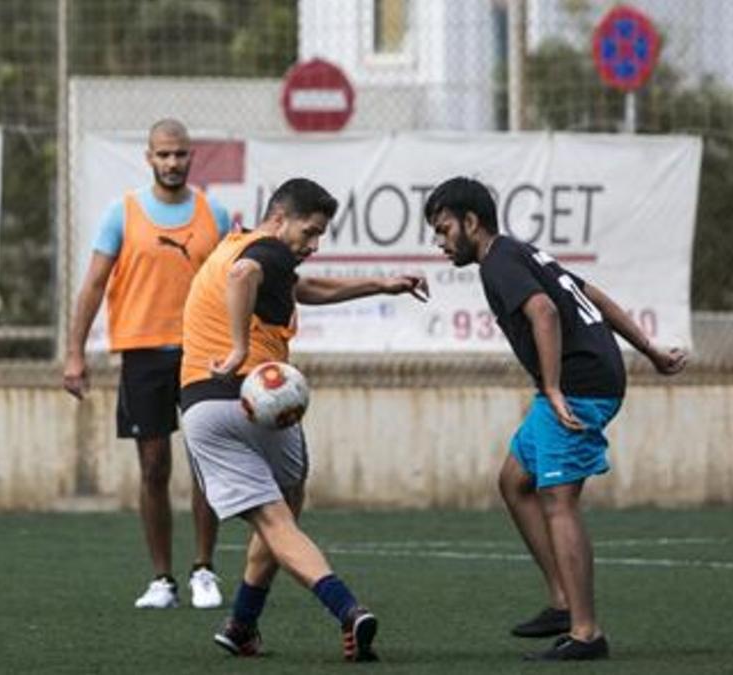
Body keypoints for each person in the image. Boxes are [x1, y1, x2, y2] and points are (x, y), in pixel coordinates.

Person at [423, 176, 688, 661]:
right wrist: (648, 351)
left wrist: (551, 387)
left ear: (471, 222)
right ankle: (563, 602)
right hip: (586, 379)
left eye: (443, 230)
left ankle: (587, 634)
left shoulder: (498, 262)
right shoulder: (522, 252)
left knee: (558, 500)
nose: (440, 243)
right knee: (514, 481)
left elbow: (543, 312)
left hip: (579, 386)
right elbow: (596, 298)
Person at [180, 178, 428, 661]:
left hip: (213, 405)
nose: (312, 245)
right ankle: (348, 610)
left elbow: (303, 289)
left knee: (280, 517)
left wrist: (380, 283)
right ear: (279, 218)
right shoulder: (265, 249)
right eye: (309, 232)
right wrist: (237, 348)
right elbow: (244, 276)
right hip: (248, 397)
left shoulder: (241, 247)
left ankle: (242, 625)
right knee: (279, 519)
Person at [63, 119, 231, 609]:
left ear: (191, 156)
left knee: (207, 464)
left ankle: (204, 570)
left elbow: (234, 281)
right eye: (164, 155)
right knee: (154, 466)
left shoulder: (213, 213)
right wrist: (75, 353)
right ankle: (163, 580)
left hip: (203, 355)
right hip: (142, 355)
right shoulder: (124, 213)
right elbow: (93, 285)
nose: (172, 163)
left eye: (180, 154)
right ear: (149, 157)